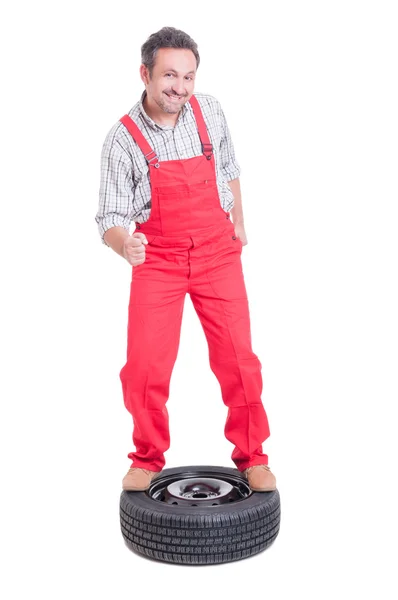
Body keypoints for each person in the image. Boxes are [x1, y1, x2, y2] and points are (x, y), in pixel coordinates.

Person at [95, 26, 277, 493]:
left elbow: (230, 168)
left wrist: (239, 221)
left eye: (189, 76)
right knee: (144, 368)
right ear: (146, 74)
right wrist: (124, 244)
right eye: (170, 75)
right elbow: (110, 216)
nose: (180, 86)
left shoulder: (209, 110)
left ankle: (253, 456)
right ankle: (146, 457)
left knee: (240, 362)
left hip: (219, 253)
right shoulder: (123, 138)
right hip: (159, 260)